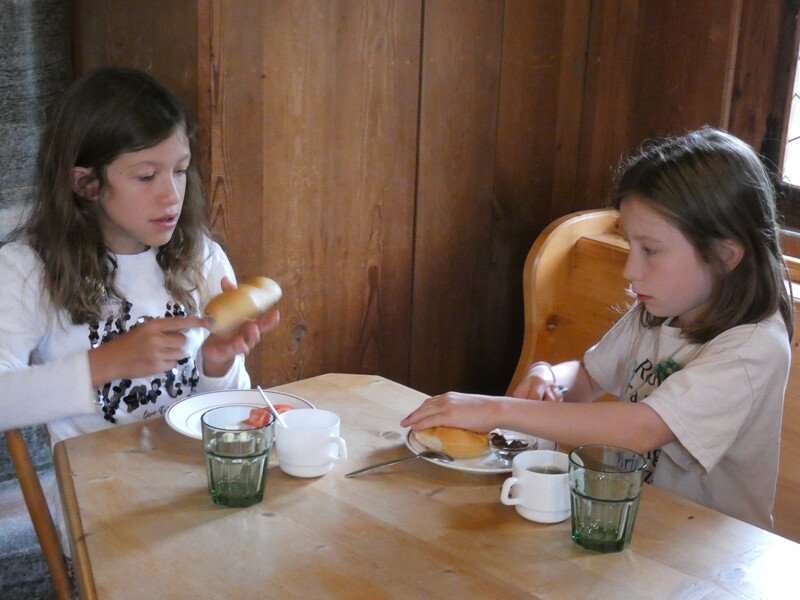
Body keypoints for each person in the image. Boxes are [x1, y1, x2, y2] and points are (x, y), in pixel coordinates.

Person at [402, 127, 793, 530]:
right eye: (630, 245)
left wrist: (494, 409)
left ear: (725, 255)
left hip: (714, 549)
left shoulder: (753, 348)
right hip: (636, 523)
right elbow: (589, 376)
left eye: (650, 250)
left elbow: (644, 428)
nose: (631, 270)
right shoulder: (660, 309)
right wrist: (548, 376)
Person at [0, 67, 278, 528]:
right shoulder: (27, 269)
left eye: (180, 171)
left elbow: (227, 417)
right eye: (146, 176)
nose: (171, 195)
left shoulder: (200, 257)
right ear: (86, 184)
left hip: (198, 485)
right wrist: (105, 363)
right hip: (103, 509)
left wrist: (218, 364)